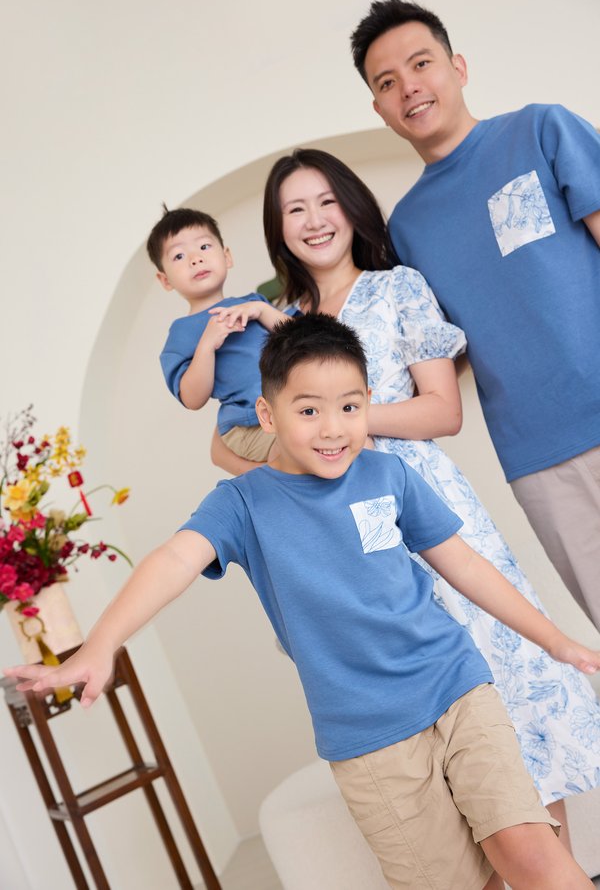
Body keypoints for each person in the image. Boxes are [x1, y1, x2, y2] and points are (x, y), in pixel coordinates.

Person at [5, 314, 599, 890]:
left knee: (529, 851)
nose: (334, 428)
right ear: (266, 412)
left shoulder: (388, 475)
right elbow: (172, 561)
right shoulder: (241, 503)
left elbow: (465, 565)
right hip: (369, 737)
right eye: (309, 410)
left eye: (350, 407)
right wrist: (100, 645)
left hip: (457, 685)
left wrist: (555, 639)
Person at [211, 148, 600, 845]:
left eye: (327, 201)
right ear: (278, 229)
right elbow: (228, 443)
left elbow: (441, 411)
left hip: (428, 507)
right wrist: (308, 443)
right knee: (417, 733)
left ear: (353, 209)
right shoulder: (272, 321)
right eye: (294, 209)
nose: (314, 220)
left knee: (505, 687)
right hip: (340, 538)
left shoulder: (399, 290)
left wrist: (338, 422)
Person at [350, 0, 600, 631]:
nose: (408, 87)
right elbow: (438, 356)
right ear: (380, 109)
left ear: (458, 67)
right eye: (387, 82)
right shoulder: (405, 228)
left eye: (421, 63)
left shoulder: (542, 129)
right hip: (538, 457)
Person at [148, 205, 288, 462]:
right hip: (247, 424)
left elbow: (300, 337)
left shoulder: (252, 303)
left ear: (227, 257)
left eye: (204, 247)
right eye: (179, 256)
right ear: (165, 280)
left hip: (288, 409)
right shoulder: (180, 334)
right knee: (292, 450)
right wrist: (206, 346)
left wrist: (260, 309)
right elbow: (193, 399)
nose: (195, 258)